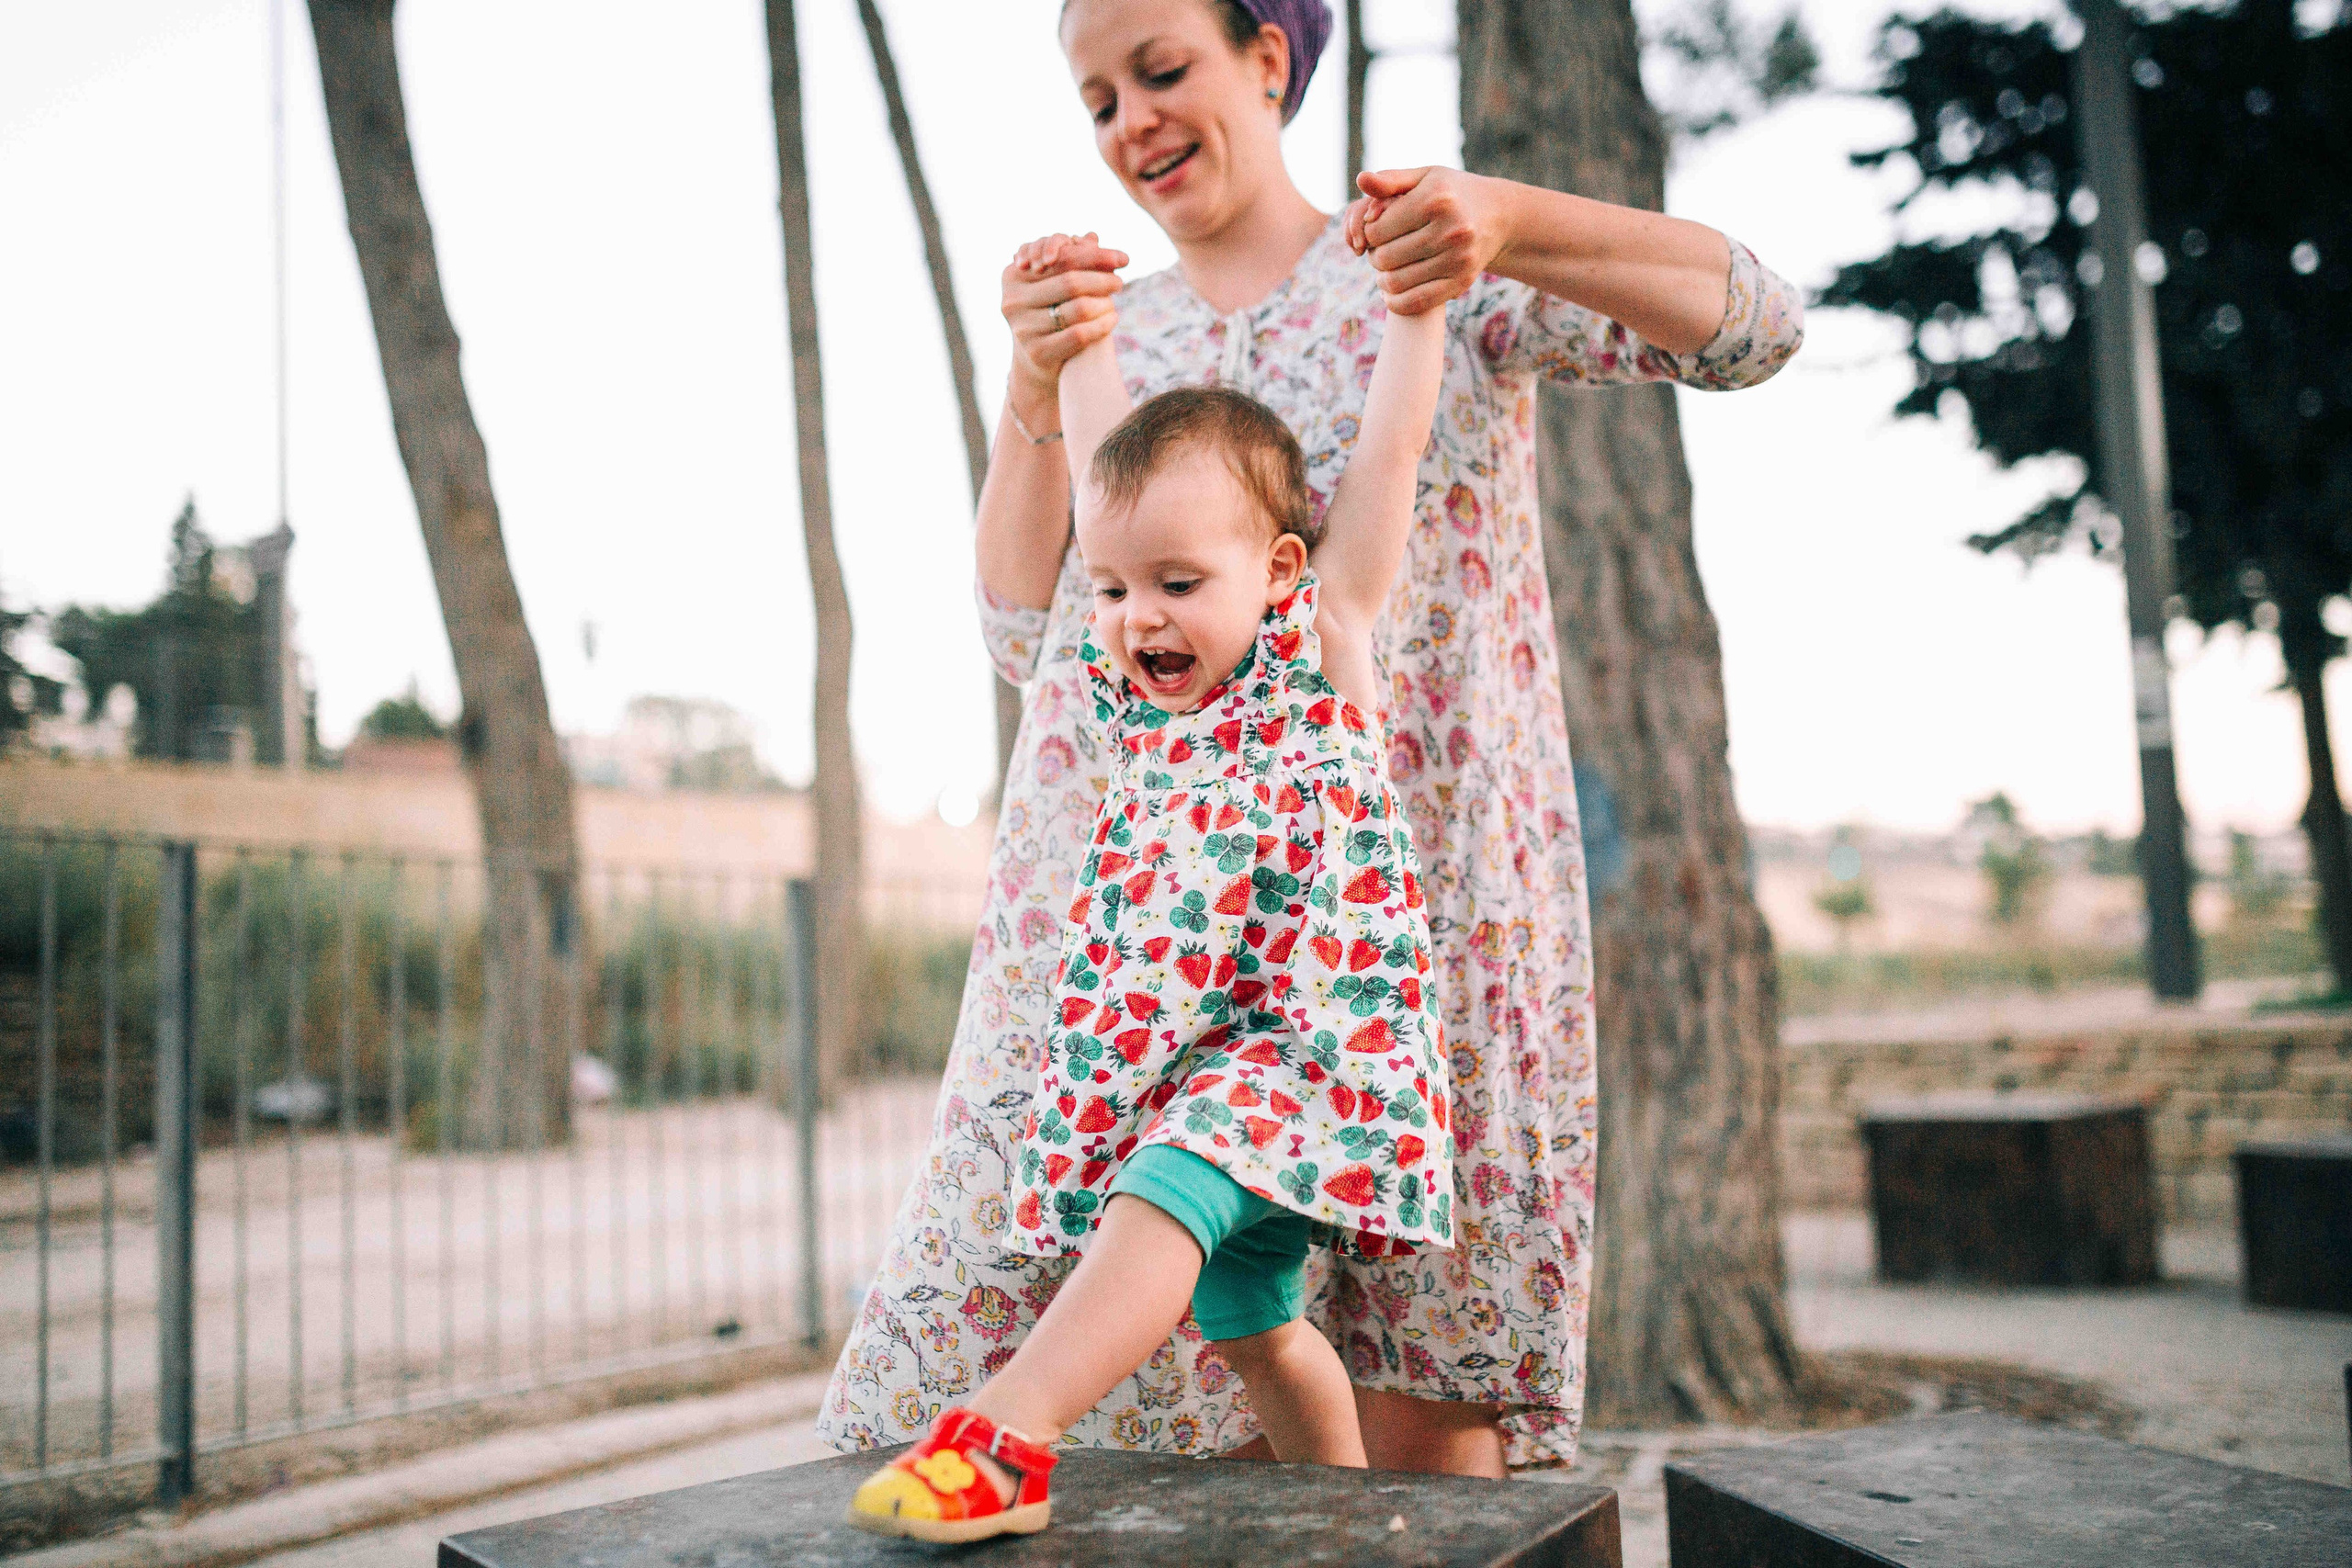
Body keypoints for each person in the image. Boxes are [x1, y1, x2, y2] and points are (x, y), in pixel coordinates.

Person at [819, 0, 1803, 1474]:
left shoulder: (1428, 274)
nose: (1129, 123)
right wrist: (1031, 386)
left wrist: (1506, 222)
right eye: (1096, 100)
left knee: (1422, 1462)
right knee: (1145, 1387)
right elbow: (1036, 651)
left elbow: (1759, 326)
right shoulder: (1113, 338)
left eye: (1161, 71)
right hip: (1144, 933)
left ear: (1268, 57)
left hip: (1402, 926)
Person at [849, 257, 1452, 1545]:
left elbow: (1393, 453)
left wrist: (1420, 311)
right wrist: (1079, 342)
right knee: (1258, 1332)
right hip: (1208, 1066)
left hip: (1308, 1058)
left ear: (1280, 572)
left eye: (1180, 584)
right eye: (1116, 590)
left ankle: (1009, 1433)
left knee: (1163, 1195)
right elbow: (1105, 454)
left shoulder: (1320, 649)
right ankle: (1354, 1530)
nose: (1137, 619)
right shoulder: (1140, 705)